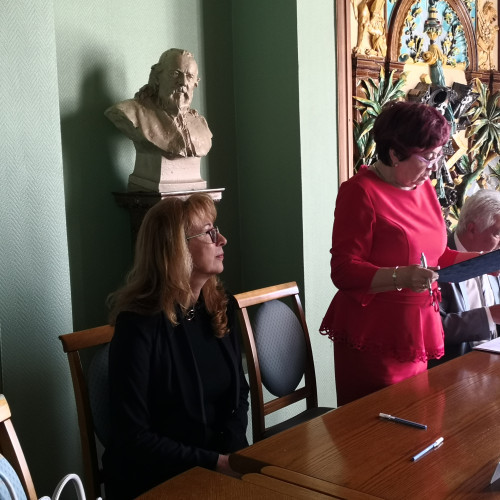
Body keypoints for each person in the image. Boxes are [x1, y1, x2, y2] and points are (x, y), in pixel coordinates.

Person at [319, 101, 480, 406]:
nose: (435, 167)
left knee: (419, 420)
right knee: (380, 427)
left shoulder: (425, 189)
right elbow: (343, 270)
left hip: (416, 330)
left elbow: (438, 257)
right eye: (428, 157)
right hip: (375, 335)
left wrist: (485, 261)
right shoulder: (360, 192)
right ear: (395, 154)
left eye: (439, 155)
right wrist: (400, 277)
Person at [103, 194, 249, 499]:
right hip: (158, 480)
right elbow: (132, 437)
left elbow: (239, 392)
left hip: (218, 468)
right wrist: (215, 463)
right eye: (209, 232)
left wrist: (233, 453)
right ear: (177, 248)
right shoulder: (137, 326)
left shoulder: (220, 306)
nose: (222, 239)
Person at [432, 189, 500, 365]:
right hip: (451, 370)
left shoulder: (493, 258)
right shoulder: (437, 259)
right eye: (498, 234)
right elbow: (432, 329)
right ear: (472, 229)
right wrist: (489, 315)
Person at [104, 48, 212, 159]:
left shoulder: (201, 125)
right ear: (157, 77)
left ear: (196, 83)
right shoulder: (131, 112)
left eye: (190, 76)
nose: (183, 82)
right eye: (175, 73)